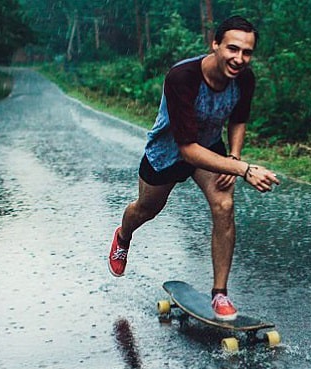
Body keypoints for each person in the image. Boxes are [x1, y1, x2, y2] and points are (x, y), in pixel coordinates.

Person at [108, 16, 279, 321]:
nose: (239, 59)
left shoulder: (244, 79)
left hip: (210, 147)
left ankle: (220, 294)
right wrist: (245, 170)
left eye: (247, 52)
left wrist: (236, 157)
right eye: (232, 49)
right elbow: (186, 149)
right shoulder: (182, 77)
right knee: (146, 209)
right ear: (215, 44)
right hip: (168, 152)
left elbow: (239, 119)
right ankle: (123, 235)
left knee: (224, 205)